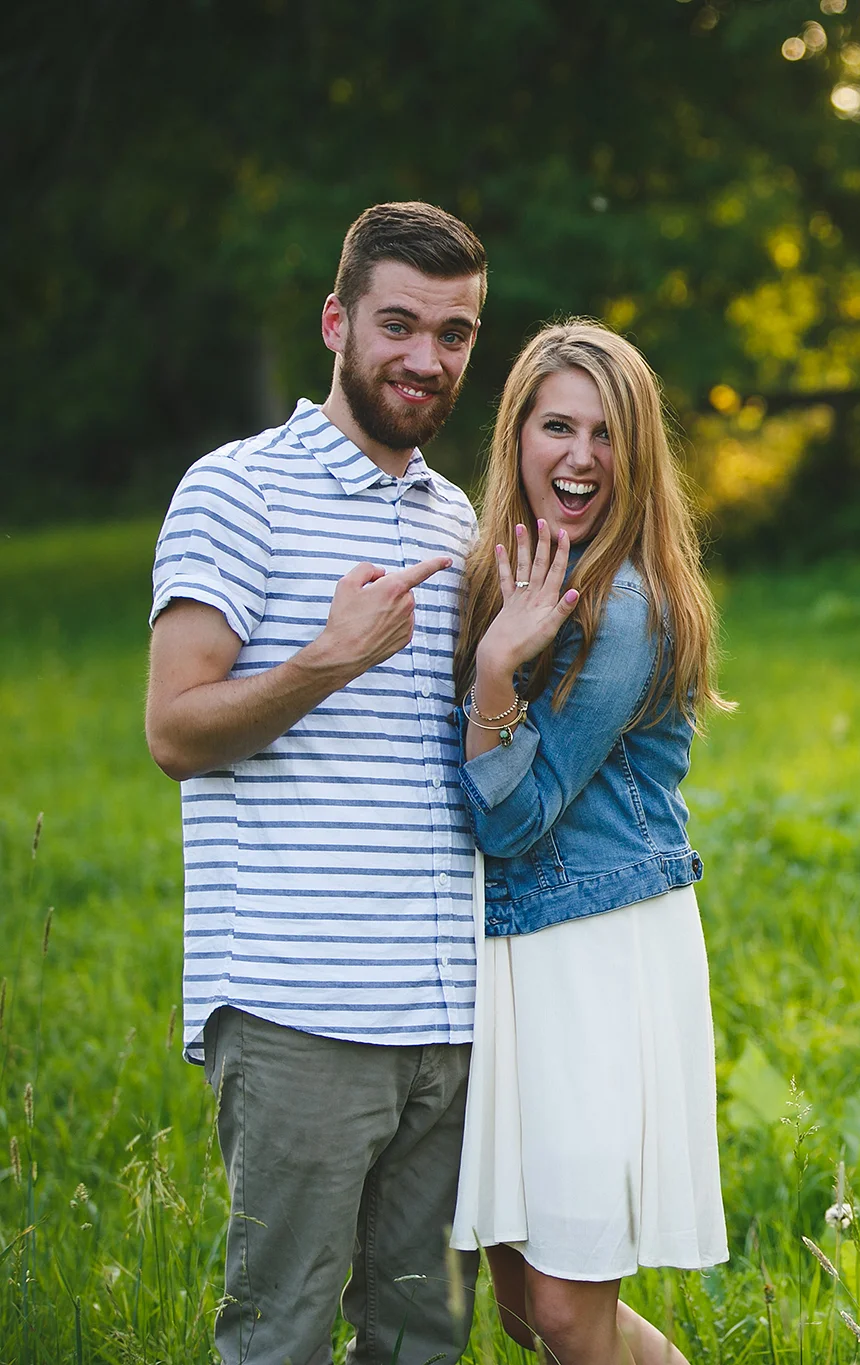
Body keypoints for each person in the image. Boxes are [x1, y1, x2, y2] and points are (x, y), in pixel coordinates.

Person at [143, 202, 489, 1363]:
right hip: (302, 1013)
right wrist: (326, 660)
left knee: (423, 1339)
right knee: (279, 1336)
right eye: (399, 324)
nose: (425, 358)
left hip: (449, 1024)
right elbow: (176, 729)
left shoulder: (457, 516)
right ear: (337, 322)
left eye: (454, 334)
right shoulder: (234, 491)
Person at [449, 320, 729, 1363]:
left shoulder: (627, 611)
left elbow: (516, 818)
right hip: (511, 960)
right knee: (529, 1310)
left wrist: (490, 679)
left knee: (568, 1311)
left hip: (595, 954)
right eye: (556, 425)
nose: (578, 456)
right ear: (515, 437)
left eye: (606, 434)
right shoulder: (504, 576)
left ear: (637, 454)